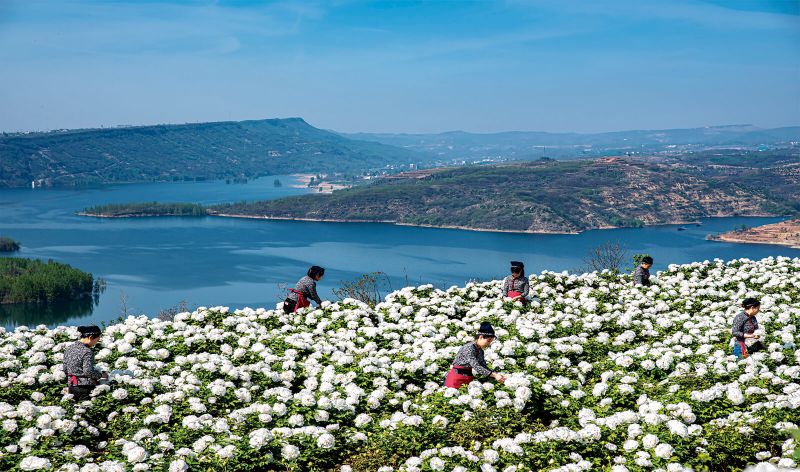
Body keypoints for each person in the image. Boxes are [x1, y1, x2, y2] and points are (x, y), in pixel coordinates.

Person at [444, 322, 507, 388]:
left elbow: (483, 365)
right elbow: (476, 366)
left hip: (467, 377)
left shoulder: (480, 351)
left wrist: (496, 374)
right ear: (481, 337)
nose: (489, 344)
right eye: (488, 341)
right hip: (456, 377)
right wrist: (494, 375)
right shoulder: (469, 348)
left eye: (491, 342)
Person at [63, 325, 107, 400]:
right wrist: (101, 375)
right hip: (85, 387)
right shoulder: (87, 351)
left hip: (72, 385)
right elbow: (88, 371)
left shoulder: (69, 349)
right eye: (96, 340)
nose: (95, 343)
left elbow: (65, 369)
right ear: (90, 338)